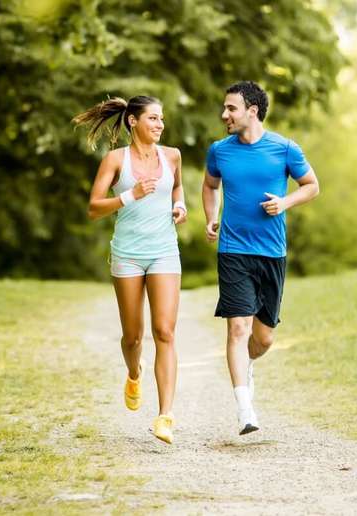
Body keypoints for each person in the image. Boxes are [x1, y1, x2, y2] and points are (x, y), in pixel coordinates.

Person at [202, 81, 320, 435]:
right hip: (233, 250)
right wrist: (211, 216)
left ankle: (248, 364)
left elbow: (312, 186)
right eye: (225, 108)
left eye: (231, 108)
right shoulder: (219, 151)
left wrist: (284, 203)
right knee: (238, 327)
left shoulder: (285, 149)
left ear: (252, 111)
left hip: (271, 252)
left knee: (263, 338)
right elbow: (210, 185)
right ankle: (245, 409)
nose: (224, 114)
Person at [74, 95, 186, 444]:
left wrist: (180, 205)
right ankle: (134, 373)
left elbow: (177, 186)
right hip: (128, 254)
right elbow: (94, 208)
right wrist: (129, 195)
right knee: (133, 337)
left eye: (161, 119)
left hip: (164, 251)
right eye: (152, 118)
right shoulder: (114, 160)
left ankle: (165, 416)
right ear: (133, 121)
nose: (159, 124)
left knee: (164, 331)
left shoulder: (172, 156)